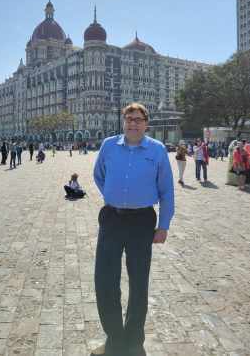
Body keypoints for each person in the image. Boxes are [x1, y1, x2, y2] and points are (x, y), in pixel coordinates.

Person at [92, 102, 174, 356]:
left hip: (142, 222)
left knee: (139, 281)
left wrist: (163, 225)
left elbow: (166, 190)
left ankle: (133, 340)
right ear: (123, 121)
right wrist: (113, 194)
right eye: (129, 119)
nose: (133, 123)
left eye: (138, 119)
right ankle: (115, 338)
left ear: (146, 124)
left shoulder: (157, 150)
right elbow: (98, 174)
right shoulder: (108, 145)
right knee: (105, 280)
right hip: (112, 218)